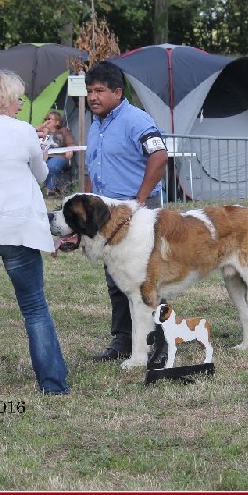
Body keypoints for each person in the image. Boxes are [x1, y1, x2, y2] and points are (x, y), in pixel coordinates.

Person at [0, 70, 69, 395]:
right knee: (33, 306)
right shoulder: (23, 132)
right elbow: (40, 174)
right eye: (17, 97)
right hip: (16, 228)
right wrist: (40, 152)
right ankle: (52, 384)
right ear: (4, 98)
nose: (20, 103)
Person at [83, 61, 170, 364]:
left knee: (149, 278)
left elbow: (160, 156)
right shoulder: (96, 124)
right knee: (117, 279)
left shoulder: (137, 119)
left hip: (138, 213)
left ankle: (161, 340)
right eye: (90, 91)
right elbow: (91, 168)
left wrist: (141, 199)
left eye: (100, 91)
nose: (93, 97)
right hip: (108, 218)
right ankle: (122, 341)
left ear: (118, 92)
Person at [37, 110, 77, 196]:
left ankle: (50, 190)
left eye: (49, 119)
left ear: (57, 122)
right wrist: (41, 129)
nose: (46, 121)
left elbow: (71, 143)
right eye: (45, 119)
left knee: (51, 166)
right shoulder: (41, 132)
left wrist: (70, 150)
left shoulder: (64, 131)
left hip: (59, 156)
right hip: (43, 157)